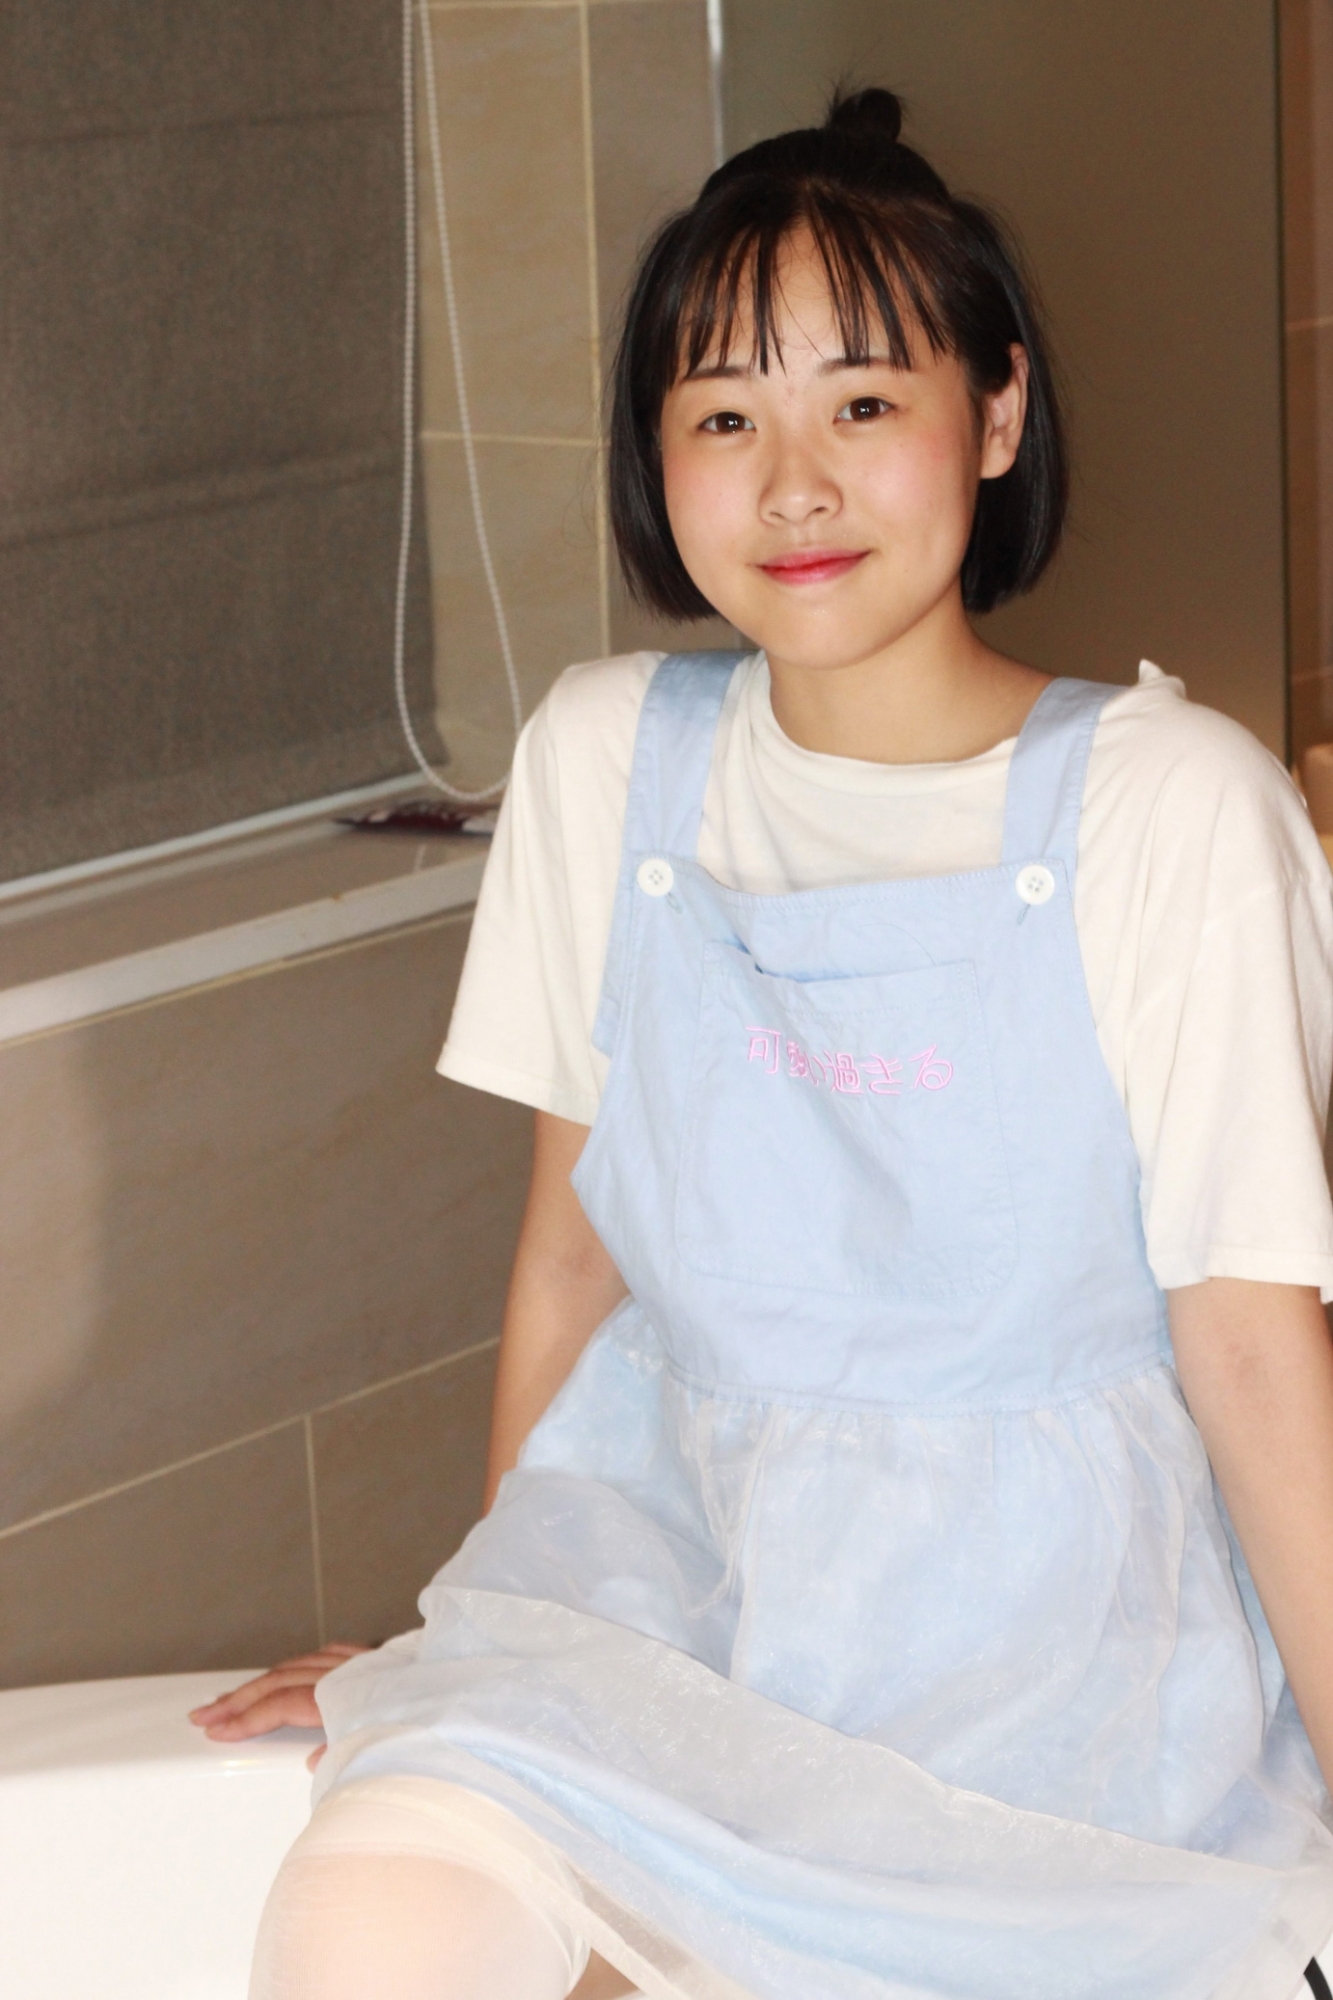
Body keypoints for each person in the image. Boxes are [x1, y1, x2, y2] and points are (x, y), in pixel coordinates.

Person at [191, 88, 1333, 2000]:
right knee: (364, 1930)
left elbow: (1249, 1350)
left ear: (996, 414)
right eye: (724, 417)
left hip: (1057, 1690)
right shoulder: (602, 757)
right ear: (656, 455)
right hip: (672, 1608)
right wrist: (495, 1644)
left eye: (862, 404)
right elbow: (572, 1260)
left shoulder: (1170, 806)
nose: (792, 487)